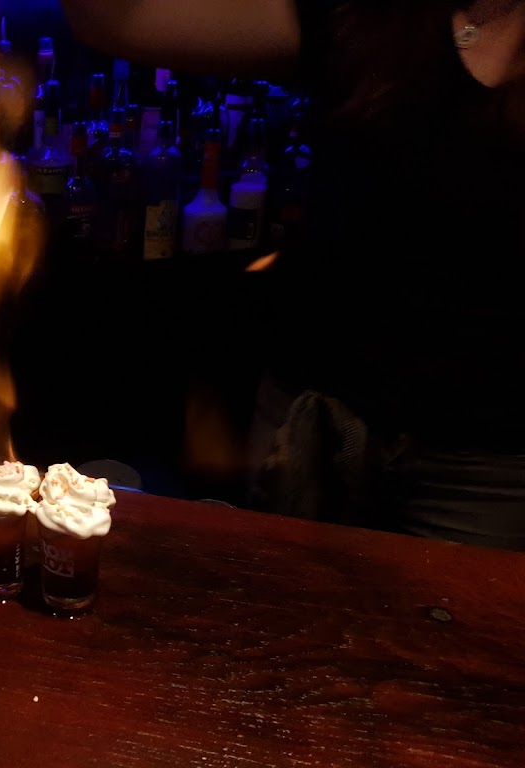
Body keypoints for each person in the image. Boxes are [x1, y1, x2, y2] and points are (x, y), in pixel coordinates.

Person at [59, 0, 525, 550]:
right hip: (312, 421)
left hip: (490, 461)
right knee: (276, 597)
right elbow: (113, 17)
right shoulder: (367, 13)